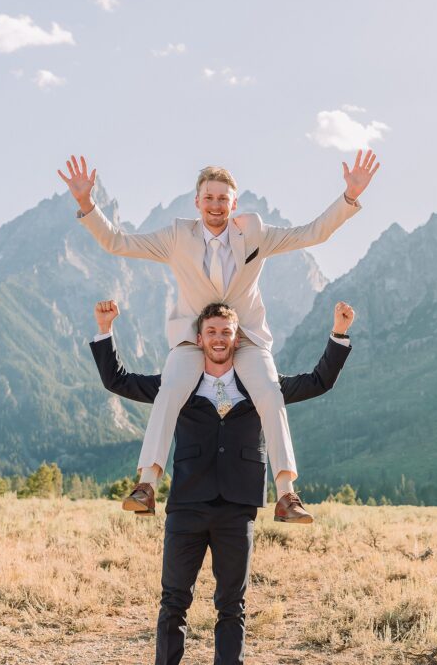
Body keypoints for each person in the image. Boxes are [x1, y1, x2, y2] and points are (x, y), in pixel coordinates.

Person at [59, 151, 377, 523]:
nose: (215, 204)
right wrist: (86, 204)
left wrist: (349, 196)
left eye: (222, 198)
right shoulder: (177, 237)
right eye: (208, 197)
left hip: (247, 338)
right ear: (197, 202)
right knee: (170, 390)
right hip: (193, 340)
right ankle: (146, 484)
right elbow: (117, 242)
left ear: (234, 203)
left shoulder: (255, 233)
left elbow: (312, 233)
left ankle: (286, 493)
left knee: (270, 392)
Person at [89, 296, 354, 665]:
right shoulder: (178, 383)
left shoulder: (262, 385)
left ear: (237, 338)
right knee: (174, 603)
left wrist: (339, 333)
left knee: (232, 606)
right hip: (187, 507)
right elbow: (118, 381)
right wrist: (105, 330)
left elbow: (319, 381)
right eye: (211, 331)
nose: (218, 338)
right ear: (198, 338)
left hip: (237, 508)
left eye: (225, 332)